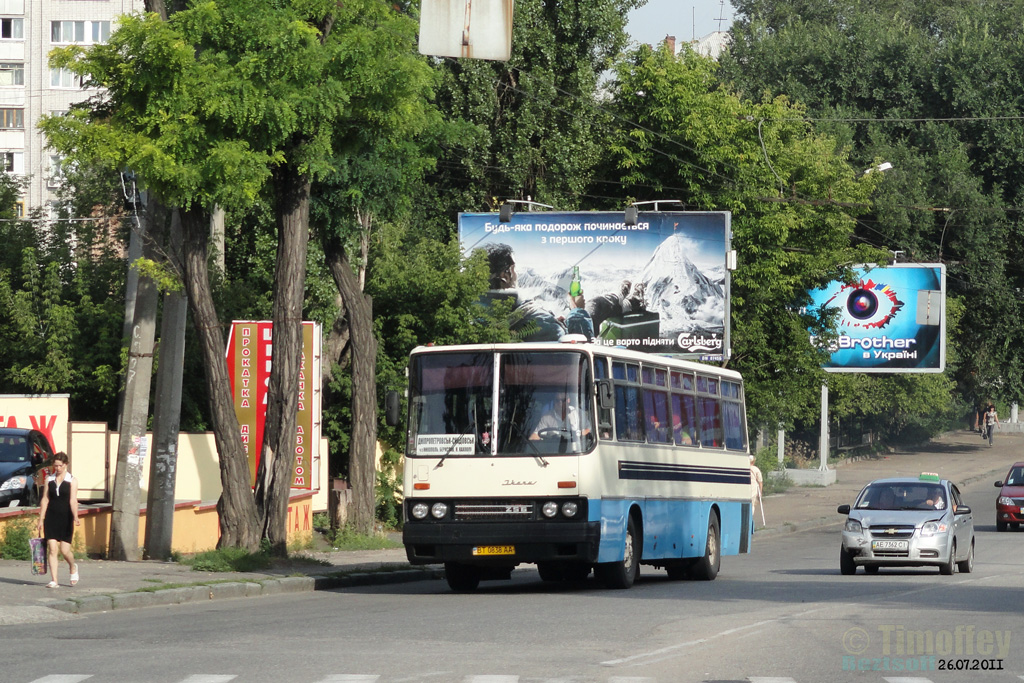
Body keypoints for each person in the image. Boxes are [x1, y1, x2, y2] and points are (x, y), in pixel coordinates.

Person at [478, 243, 566, 342]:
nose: (516, 274)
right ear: (505, 276)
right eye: (514, 269)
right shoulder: (543, 323)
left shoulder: (465, 318)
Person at [36, 452, 79, 588]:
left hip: (66, 517)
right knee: (53, 549)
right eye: (55, 466)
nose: (57, 468)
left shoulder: (72, 480)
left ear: (65, 465)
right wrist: (41, 519)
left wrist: (76, 516)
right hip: (51, 516)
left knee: (65, 551)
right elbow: (45, 499)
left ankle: (73, 566)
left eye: (60, 466)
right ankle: (54, 580)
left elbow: (73, 500)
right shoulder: (49, 479)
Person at [749, 454, 763, 531]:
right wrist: (760, 492)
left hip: (746, 487)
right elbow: (760, 481)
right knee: (752, 504)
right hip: (753, 487)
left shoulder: (744, 468)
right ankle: (750, 518)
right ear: (753, 462)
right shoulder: (756, 469)